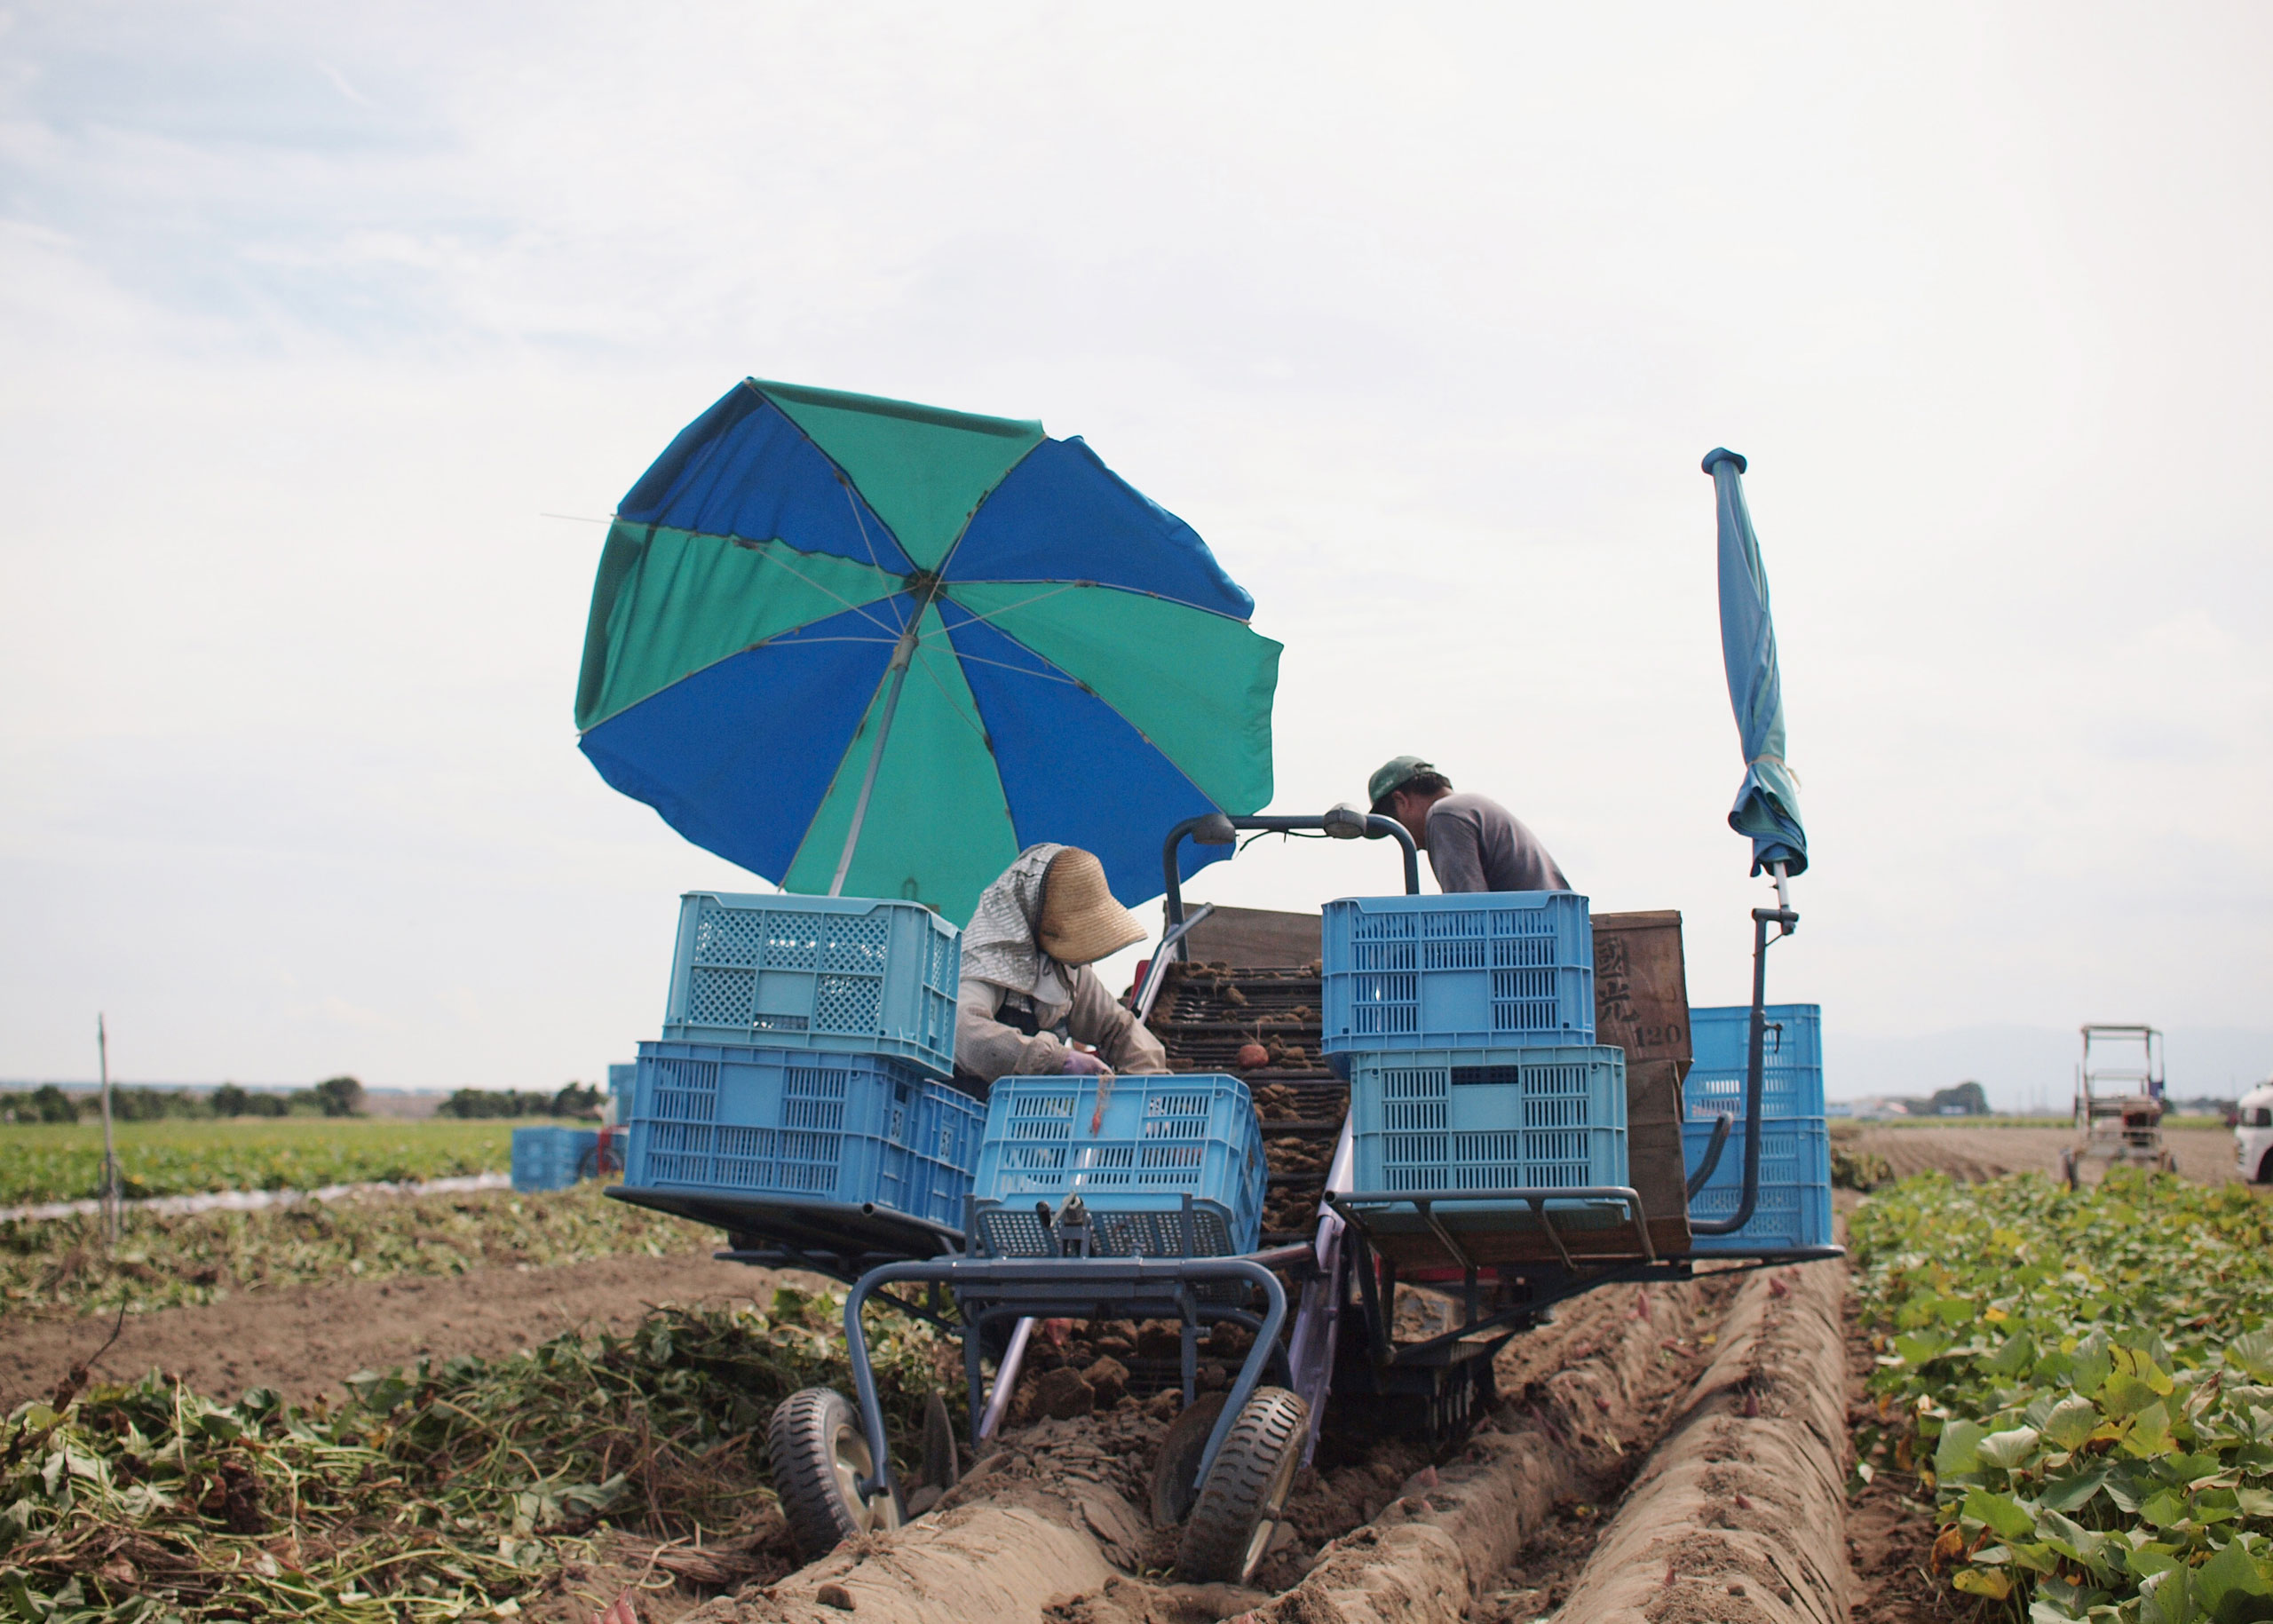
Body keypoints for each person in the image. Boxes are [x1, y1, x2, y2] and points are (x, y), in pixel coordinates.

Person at [954, 844, 1169, 1095]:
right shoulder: (986, 960)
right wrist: (1057, 1060)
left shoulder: (1065, 972)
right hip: (969, 1109)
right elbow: (965, 1034)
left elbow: (1118, 1027)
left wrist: (1151, 1086)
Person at [1367, 756, 1571, 894]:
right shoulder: (1470, 807)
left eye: (1398, 825)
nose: (1414, 845)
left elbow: (1468, 916)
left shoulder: (1444, 816)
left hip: (1528, 948)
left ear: (1402, 801)